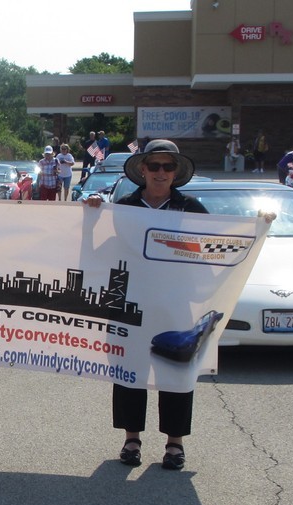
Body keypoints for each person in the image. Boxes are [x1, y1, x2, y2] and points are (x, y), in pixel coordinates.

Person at [82, 139, 207, 470]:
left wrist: (258, 224)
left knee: (176, 372)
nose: (161, 172)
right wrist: (94, 213)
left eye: (168, 166)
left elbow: (215, 248)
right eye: (154, 165)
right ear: (143, 169)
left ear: (176, 172)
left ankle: (175, 444)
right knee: (129, 370)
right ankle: (132, 439)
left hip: (176, 305)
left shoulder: (192, 208)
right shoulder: (124, 207)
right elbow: (106, 251)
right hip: (131, 303)